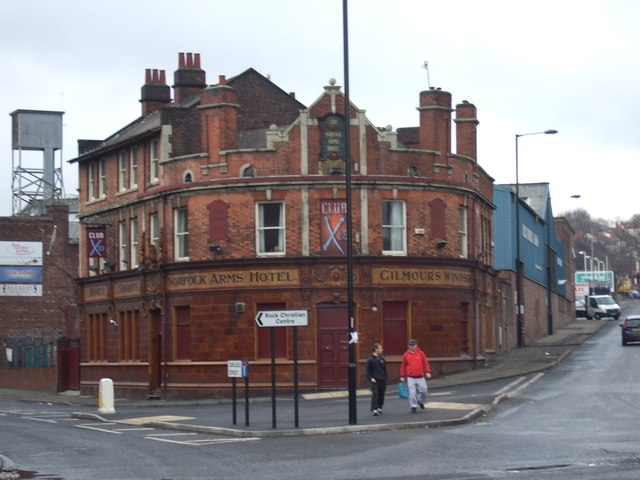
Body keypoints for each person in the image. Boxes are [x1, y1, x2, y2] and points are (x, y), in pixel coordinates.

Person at [399, 339, 432, 413]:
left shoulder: (421, 353)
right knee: (412, 393)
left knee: (424, 390)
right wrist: (402, 375)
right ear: (408, 346)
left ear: (416, 345)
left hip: (420, 376)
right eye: (410, 345)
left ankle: (420, 401)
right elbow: (403, 366)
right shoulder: (406, 355)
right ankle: (413, 406)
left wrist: (428, 371)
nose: (412, 347)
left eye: (413, 345)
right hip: (411, 377)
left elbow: (425, 363)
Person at [365, 342, 387, 416]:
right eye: (380, 348)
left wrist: (386, 378)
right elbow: (367, 371)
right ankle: (374, 409)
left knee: (381, 395)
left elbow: (385, 370)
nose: (382, 349)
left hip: (382, 380)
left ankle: (379, 407)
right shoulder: (370, 359)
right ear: (376, 349)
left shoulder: (382, 359)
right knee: (375, 394)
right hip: (374, 380)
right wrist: (370, 378)